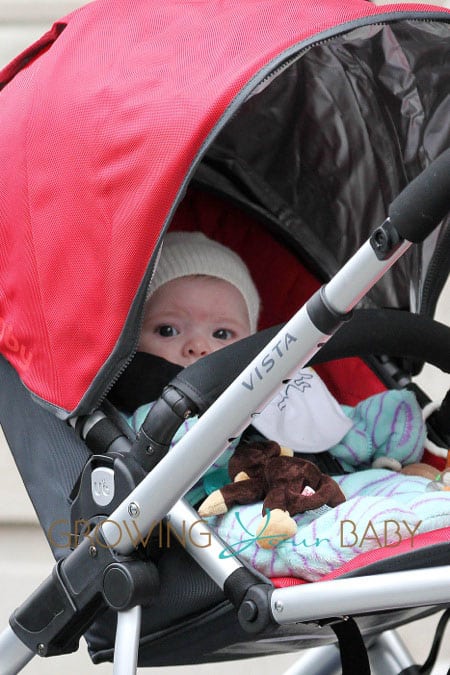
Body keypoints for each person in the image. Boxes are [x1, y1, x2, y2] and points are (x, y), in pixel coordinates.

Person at [126, 230, 426, 508]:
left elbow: (347, 428)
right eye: (167, 330)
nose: (199, 347)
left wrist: (390, 432)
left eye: (222, 334)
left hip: (333, 486)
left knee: (410, 489)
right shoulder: (148, 420)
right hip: (232, 507)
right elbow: (178, 459)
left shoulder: (282, 389)